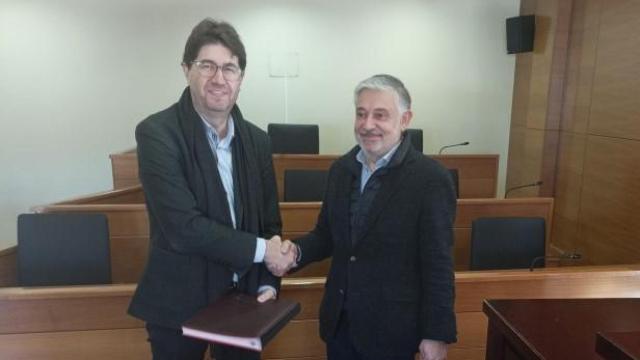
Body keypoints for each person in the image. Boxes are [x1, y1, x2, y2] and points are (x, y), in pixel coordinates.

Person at [128, 18, 292, 360]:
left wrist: (267, 283)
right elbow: (183, 228)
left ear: (241, 78)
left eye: (230, 68)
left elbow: (269, 225)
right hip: (178, 304)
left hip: (244, 302)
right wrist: (265, 252)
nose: (220, 78)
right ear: (186, 69)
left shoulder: (257, 141)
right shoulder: (157, 133)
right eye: (207, 65)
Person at [271, 74, 457, 360]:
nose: (368, 124)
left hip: (393, 333)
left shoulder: (430, 179)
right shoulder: (341, 170)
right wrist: (295, 252)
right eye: (361, 114)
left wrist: (436, 333)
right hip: (341, 325)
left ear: (405, 119)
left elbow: (438, 264)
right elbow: (326, 236)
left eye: (380, 115)